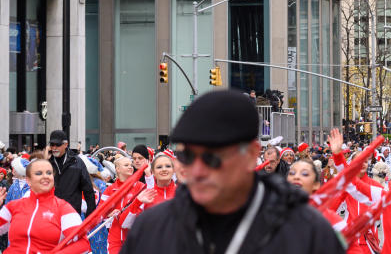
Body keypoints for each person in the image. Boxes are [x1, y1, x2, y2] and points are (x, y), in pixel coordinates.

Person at [119, 89, 344, 254]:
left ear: (250, 155)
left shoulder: (306, 232)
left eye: (211, 158)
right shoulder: (152, 228)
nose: (196, 170)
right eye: (187, 156)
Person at [0, 158, 91, 254]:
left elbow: (82, 244)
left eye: (49, 173)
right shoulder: (14, 207)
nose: (45, 176)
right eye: (39, 173)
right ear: (28, 180)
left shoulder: (64, 209)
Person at [47, 129, 97, 215]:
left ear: (66, 144)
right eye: (52, 144)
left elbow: (88, 190)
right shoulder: (46, 162)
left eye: (58, 145)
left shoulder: (77, 162)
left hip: (71, 213)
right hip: (50, 213)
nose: (54, 148)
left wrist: (90, 215)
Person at [102, 155, 145, 254]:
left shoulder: (141, 187)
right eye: (126, 165)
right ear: (117, 169)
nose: (130, 167)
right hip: (115, 238)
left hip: (136, 237)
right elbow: (101, 211)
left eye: (131, 165)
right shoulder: (110, 189)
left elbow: (146, 211)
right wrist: (110, 214)